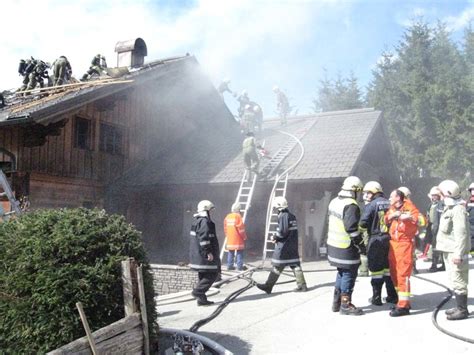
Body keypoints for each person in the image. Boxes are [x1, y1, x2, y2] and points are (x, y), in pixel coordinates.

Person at [327, 176, 366, 315]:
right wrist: (361, 245)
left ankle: (336, 303)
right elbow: (352, 229)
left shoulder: (334, 201)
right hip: (346, 247)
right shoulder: (351, 205)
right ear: (354, 190)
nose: (360, 194)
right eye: (359, 191)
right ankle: (345, 304)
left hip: (333, 245)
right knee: (349, 273)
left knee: (341, 272)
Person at [256, 196, 308, 293]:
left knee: (277, 265)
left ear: (278, 207)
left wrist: (275, 237)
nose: (275, 210)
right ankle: (302, 285)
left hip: (284, 246)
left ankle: (268, 286)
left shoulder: (283, 216)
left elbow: (283, 232)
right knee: (295, 265)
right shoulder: (291, 216)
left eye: (275, 208)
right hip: (292, 245)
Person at [359, 181, 398, 306]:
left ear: (373, 192)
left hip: (376, 240)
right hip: (390, 240)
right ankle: (392, 296)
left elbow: (363, 224)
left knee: (376, 271)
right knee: (388, 269)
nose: (366, 196)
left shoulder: (371, 205)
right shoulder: (390, 203)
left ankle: (376, 297)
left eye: (367, 193)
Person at [436, 180, 471, 320]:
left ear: (447, 193)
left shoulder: (458, 210)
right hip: (449, 251)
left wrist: (459, 253)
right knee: (454, 279)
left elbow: (461, 234)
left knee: (459, 279)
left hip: (455, 252)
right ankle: (459, 307)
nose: (439, 195)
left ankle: (462, 310)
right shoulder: (450, 208)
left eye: (441, 192)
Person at [385, 189, 419, 317]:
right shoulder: (392, 208)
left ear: (398, 197)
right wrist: (391, 216)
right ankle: (401, 300)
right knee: (394, 273)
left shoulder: (410, 207)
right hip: (393, 244)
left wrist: (409, 218)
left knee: (403, 274)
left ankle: (404, 306)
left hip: (404, 245)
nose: (389, 199)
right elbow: (385, 219)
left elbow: (422, 220)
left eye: (391, 196)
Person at [189, 200, 220, 306]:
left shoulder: (197, 221)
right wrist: (208, 252)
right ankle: (198, 292)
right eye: (210, 210)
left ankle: (201, 299)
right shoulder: (204, 222)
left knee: (203, 275)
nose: (211, 213)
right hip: (205, 255)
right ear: (206, 210)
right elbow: (204, 238)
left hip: (198, 255)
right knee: (212, 274)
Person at [224, 202, 247, 271]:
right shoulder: (238, 216)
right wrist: (244, 237)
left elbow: (225, 228)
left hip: (230, 238)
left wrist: (227, 236)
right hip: (238, 238)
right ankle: (239, 267)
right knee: (239, 252)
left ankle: (229, 266)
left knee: (231, 252)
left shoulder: (227, 216)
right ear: (239, 209)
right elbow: (241, 229)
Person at [427, 186, 445, 272]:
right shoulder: (430, 205)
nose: (433, 197)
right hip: (431, 228)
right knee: (434, 247)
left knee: (438, 247)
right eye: (432, 195)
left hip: (438, 229)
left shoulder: (441, 204)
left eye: (435, 195)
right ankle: (436, 264)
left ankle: (436, 265)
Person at [467, 183, 474, 258]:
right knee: (471, 239)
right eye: (471, 190)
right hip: (470, 225)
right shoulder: (469, 200)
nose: (473, 191)